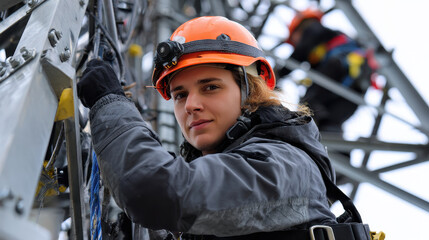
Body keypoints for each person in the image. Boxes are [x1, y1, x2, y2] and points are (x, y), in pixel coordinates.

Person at [77, 16, 369, 239]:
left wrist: (110, 107)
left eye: (210, 87)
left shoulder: (284, 165)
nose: (190, 105)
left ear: (250, 91)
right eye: (180, 95)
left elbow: (154, 189)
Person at [277, 8, 377, 133]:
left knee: (307, 106)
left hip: (340, 66)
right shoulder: (324, 42)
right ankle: (338, 151)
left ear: (298, 29)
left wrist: (277, 74)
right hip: (357, 84)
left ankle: (294, 138)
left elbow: (300, 53)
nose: (295, 43)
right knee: (329, 123)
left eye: (294, 40)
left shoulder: (311, 29)